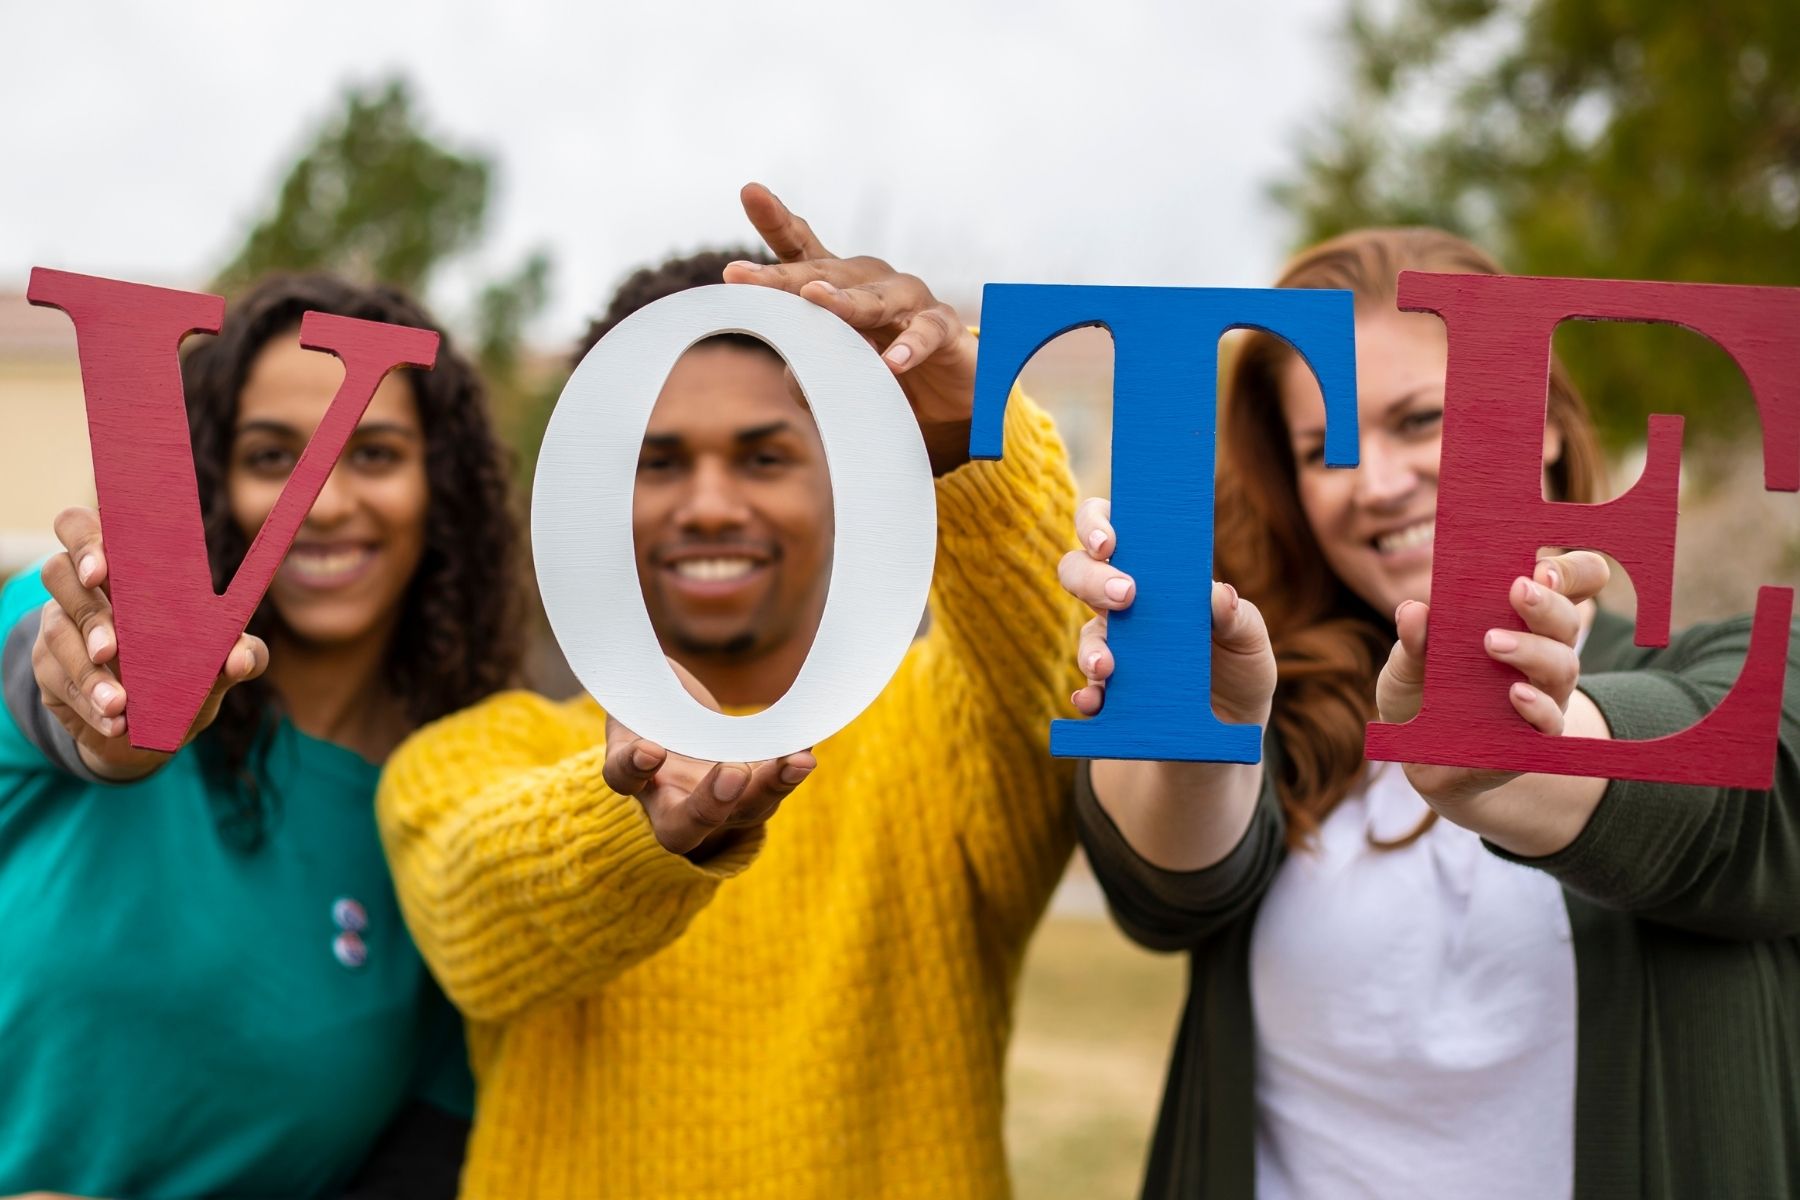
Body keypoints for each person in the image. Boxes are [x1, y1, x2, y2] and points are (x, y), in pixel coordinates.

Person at [375, 183, 1085, 1198]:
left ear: (844, 472)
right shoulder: (481, 755)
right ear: (588, 486)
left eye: (764, 456)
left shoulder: (946, 727)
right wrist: (634, 819)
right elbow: (473, 923)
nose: (710, 504)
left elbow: (1057, 665)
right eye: (657, 461)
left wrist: (960, 436)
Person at [1062, 226, 1800, 1200]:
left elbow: (1739, 815)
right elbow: (1163, 893)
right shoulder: (1278, 706)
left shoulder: (1741, 671)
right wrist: (1202, 733)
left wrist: (1503, 747)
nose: (1373, 483)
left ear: (1537, 420)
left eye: (1418, 420)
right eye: (1325, 446)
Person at [0, 274, 524, 1198]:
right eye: (274, 455)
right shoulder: (70, 628)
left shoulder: (467, 809)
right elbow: (54, 695)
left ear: (441, 489)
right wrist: (109, 717)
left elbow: (421, 1163)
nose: (322, 504)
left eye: (376, 454)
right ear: (213, 479)